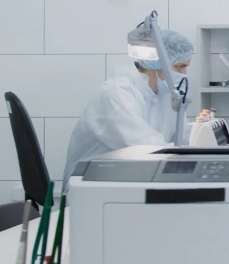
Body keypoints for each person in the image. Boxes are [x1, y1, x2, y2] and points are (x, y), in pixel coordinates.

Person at [64, 28, 195, 181]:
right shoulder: (117, 93)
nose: (184, 74)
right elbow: (144, 146)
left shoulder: (165, 95)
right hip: (91, 181)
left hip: (132, 174)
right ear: (157, 63)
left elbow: (184, 135)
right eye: (180, 67)